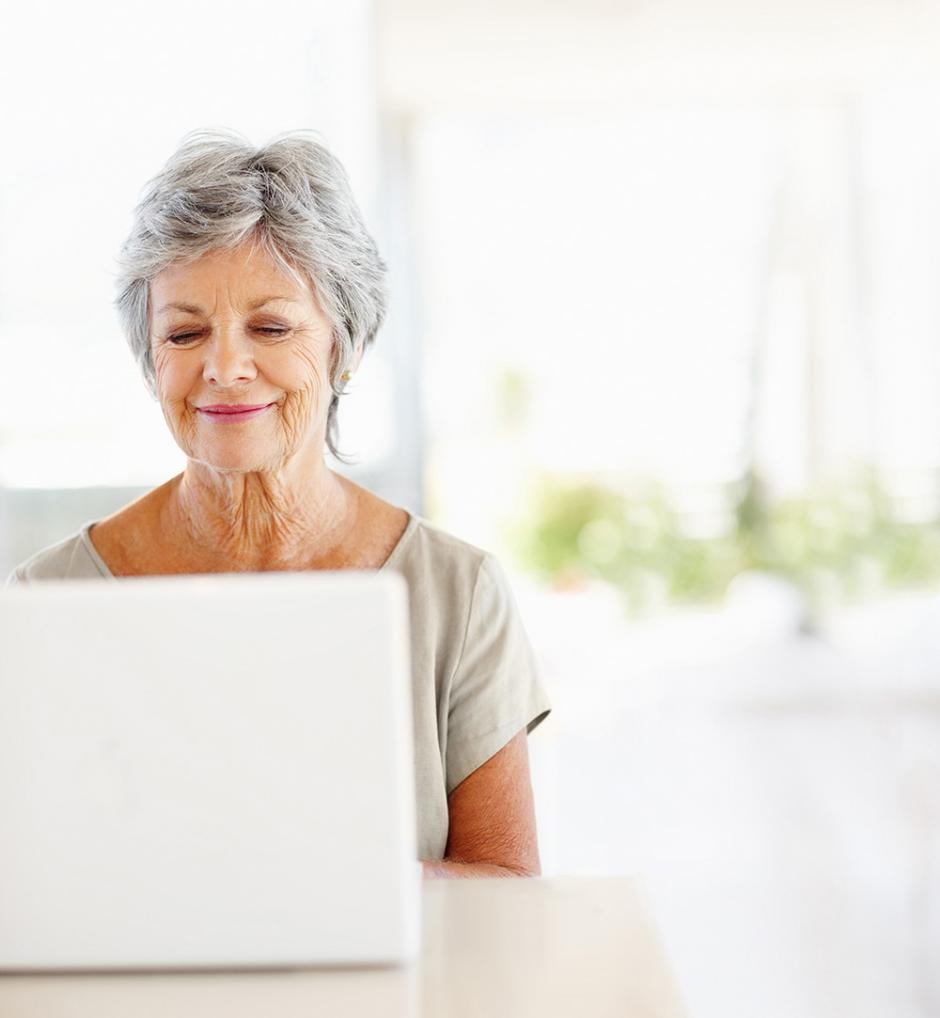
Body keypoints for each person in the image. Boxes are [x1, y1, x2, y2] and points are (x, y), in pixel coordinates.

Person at [6, 130, 551, 878]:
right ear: (150, 362)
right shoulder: (48, 601)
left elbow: (505, 889)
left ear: (344, 348)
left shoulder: (458, 595)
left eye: (271, 327)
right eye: (184, 333)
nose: (225, 367)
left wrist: (295, 877)